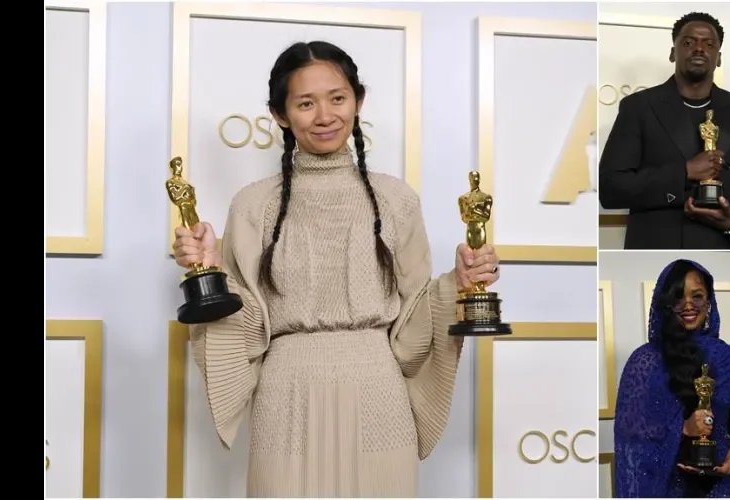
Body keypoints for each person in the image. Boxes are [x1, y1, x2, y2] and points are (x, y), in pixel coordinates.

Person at [171, 41, 502, 497]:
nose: (325, 115)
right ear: (281, 114)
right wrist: (209, 270)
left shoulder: (396, 198)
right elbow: (244, 322)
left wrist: (460, 286)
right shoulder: (252, 204)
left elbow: (415, 314)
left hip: (378, 393)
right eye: (305, 103)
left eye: (337, 98)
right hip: (285, 395)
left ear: (358, 102)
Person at [598, 12, 730, 249]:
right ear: (673, 53)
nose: (698, 49)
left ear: (718, 58)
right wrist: (683, 173)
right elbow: (611, 187)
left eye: (708, 44)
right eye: (688, 42)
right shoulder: (639, 107)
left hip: (726, 254)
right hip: (654, 254)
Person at [613, 259, 730, 497]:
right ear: (666, 305)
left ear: (709, 302)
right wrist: (683, 427)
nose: (688, 305)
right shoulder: (645, 361)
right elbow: (630, 439)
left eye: (697, 296)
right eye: (678, 297)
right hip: (669, 489)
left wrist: (728, 465)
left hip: (725, 488)